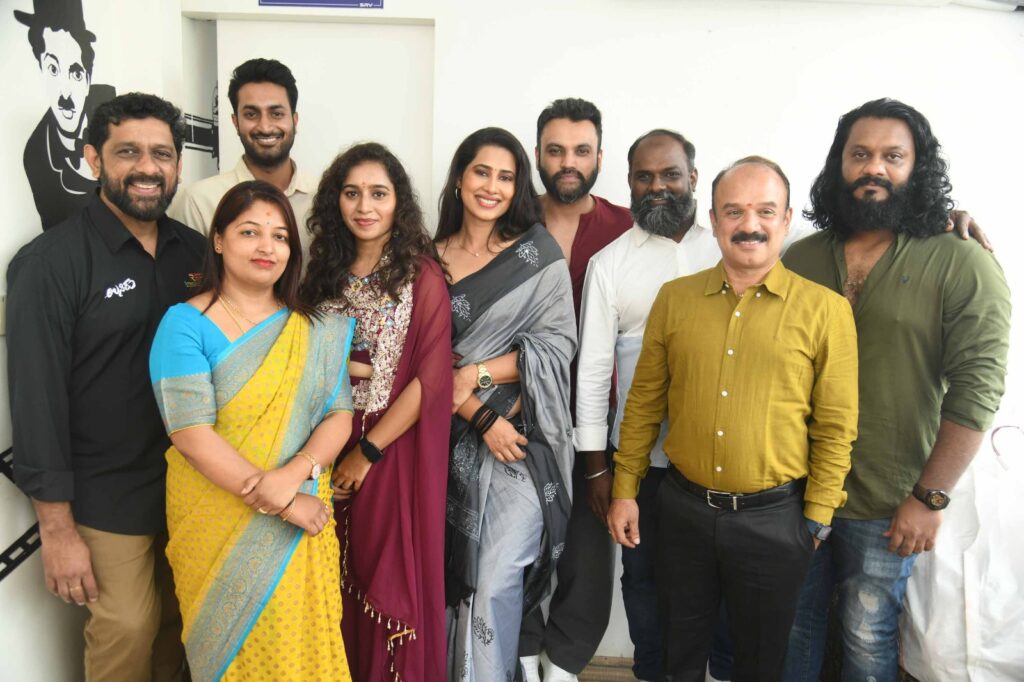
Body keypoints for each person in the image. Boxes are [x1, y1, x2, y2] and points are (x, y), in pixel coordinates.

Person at [781, 99, 1011, 682]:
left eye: (893, 156)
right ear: (838, 164)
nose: (874, 168)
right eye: (859, 154)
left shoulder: (961, 260)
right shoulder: (801, 258)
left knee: (867, 634)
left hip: (891, 500)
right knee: (792, 628)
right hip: (794, 490)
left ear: (918, 166)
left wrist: (930, 498)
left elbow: (978, 388)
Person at [608, 156, 859, 682]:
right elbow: (644, 404)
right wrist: (625, 489)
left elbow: (836, 427)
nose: (750, 225)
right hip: (682, 512)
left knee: (759, 664)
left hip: (777, 521)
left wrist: (816, 518)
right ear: (714, 219)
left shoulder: (826, 311)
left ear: (786, 219)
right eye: (734, 211)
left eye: (765, 211)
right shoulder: (675, 300)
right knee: (677, 655)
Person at [7, 92, 205, 681]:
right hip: (103, 493)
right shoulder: (50, 263)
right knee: (127, 627)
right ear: (94, 158)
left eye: (161, 154)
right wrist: (56, 528)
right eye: (128, 152)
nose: (147, 168)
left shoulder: (196, 253)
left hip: (191, 482)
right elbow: (36, 400)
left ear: (177, 165)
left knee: (181, 625)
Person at [149, 180, 355, 682]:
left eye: (280, 236)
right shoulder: (184, 324)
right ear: (218, 240)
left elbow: (339, 415)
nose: (267, 246)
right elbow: (190, 434)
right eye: (250, 232)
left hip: (300, 512)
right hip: (216, 518)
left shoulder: (313, 328)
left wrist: (294, 474)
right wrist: (283, 502)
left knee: (298, 650)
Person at [576, 129, 730, 682]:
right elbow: (594, 372)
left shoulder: (730, 247)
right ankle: (651, 672)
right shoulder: (610, 263)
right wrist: (598, 466)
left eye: (670, 174)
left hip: (718, 460)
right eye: (644, 177)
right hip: (640, 463)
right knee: (643, 578)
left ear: (694, 177)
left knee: (720, 581)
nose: (657, 186)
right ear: (629, 183)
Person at [300, 142, 453, 681]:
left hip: (390, 450)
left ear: (398, 203)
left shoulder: (420, 276)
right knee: (328, 576)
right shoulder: (323, 273)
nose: (365, 206)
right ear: (335, 201)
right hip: (324, 443)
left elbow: (431, 380)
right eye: (352, 193)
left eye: (378, 194)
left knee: (384, 579)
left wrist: (367, 452)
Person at [437, 127, 577, 681]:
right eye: (481, 172)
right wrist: (479, 413)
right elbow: (420, 363)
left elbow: (557, 346)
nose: (491, 187)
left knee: (496, 577)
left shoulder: (538, 256)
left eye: (506, 177)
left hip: (520, 443)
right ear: (459, 177)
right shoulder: (427, 259)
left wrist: (473, 374)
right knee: (444, 579)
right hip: (443, 440)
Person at [519, 96, 632, 682]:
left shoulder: (627, 228)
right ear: (538, 154)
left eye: (581, 150)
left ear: (599, 158)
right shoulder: (510, 220)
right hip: (516, 412)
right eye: (556, 150)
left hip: (599, 419)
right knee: (516, 539)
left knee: (589, 550)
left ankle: (564, 662)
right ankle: (519, 650)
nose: (569, 162)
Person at [169, 58, 316, 254]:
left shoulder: (323, 197)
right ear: (235, 122)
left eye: (276, 114)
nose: (265, 127)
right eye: (251, 114)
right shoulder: (199, 202)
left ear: (294, 120)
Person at [14, 0, 116, 229]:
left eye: (75, 73)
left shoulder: (113, 107)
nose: (65, 94)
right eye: (53, 69)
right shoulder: (36, 154)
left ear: (88, 78)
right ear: (41, 70)